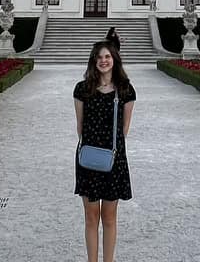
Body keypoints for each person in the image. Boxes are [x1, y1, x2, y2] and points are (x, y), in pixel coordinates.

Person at [74, 40, 135, 262]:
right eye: (99, 57)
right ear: (94, 60)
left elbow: (124, 129)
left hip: (113, 160)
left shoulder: (126, 90)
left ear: (114, 59)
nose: (103, 61)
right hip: (88, 158)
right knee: (91, 217)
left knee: (109, 217)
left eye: (107, 56)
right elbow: (79, 127)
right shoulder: (82, 89)